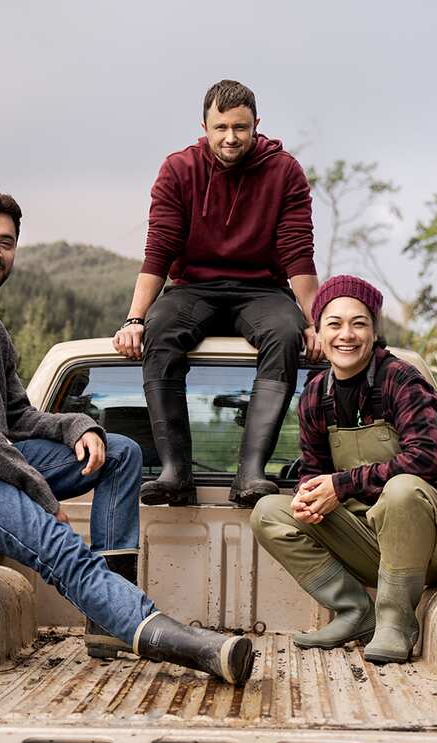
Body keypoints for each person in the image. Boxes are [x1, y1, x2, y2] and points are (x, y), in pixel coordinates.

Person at [0, 189, 254, 683]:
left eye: (5, 242)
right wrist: (36, 489)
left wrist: (79, 425)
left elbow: (16, 417)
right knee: (59, 545)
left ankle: (107, 624)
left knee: (120, 453)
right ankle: (182, 644)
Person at [250, 275, 437, 663]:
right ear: (319, 332)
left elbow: (426, 457)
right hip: (378, 540)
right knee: (270, 512)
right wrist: (310, 496)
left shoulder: (401, 380)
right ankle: (356, 611)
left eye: (359, 323)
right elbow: (315, 468)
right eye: (335, 324)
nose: (347, 334)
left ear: (374, 331)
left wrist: (341, 486)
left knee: (403, 489)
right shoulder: (315, 396)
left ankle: (397, 622)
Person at [113, 79, 321, 508]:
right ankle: (175, 474)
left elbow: (297, 252)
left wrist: (316, 322)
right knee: (161, 329)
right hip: (194, 288)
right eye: (221, 127)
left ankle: (250, 475)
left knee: (286, 333)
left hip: (262, 289)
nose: (231, 137)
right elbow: (160, 249)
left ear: (256, 125)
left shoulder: (284, 172)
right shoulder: (179, 169)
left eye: (240, 128)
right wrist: (135, 318)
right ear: (204, 126)